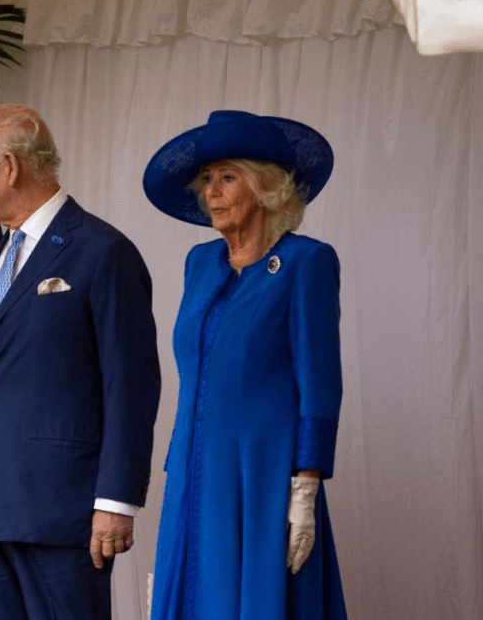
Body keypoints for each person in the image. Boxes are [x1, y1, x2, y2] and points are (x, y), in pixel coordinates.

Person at [0, 103, 161, 620]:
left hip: (62, 516)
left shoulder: (103, 251)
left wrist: (116, 501)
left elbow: (131, 385)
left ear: (9, 166)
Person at [142, 110, 347, 619]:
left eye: (228, 178)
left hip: (263, 476)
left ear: (266, 188)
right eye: (207, 179)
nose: (211, 192)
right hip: (192, 469)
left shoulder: (306, 263)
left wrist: (305, 486)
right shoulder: (199, 264)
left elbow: (320, 382)